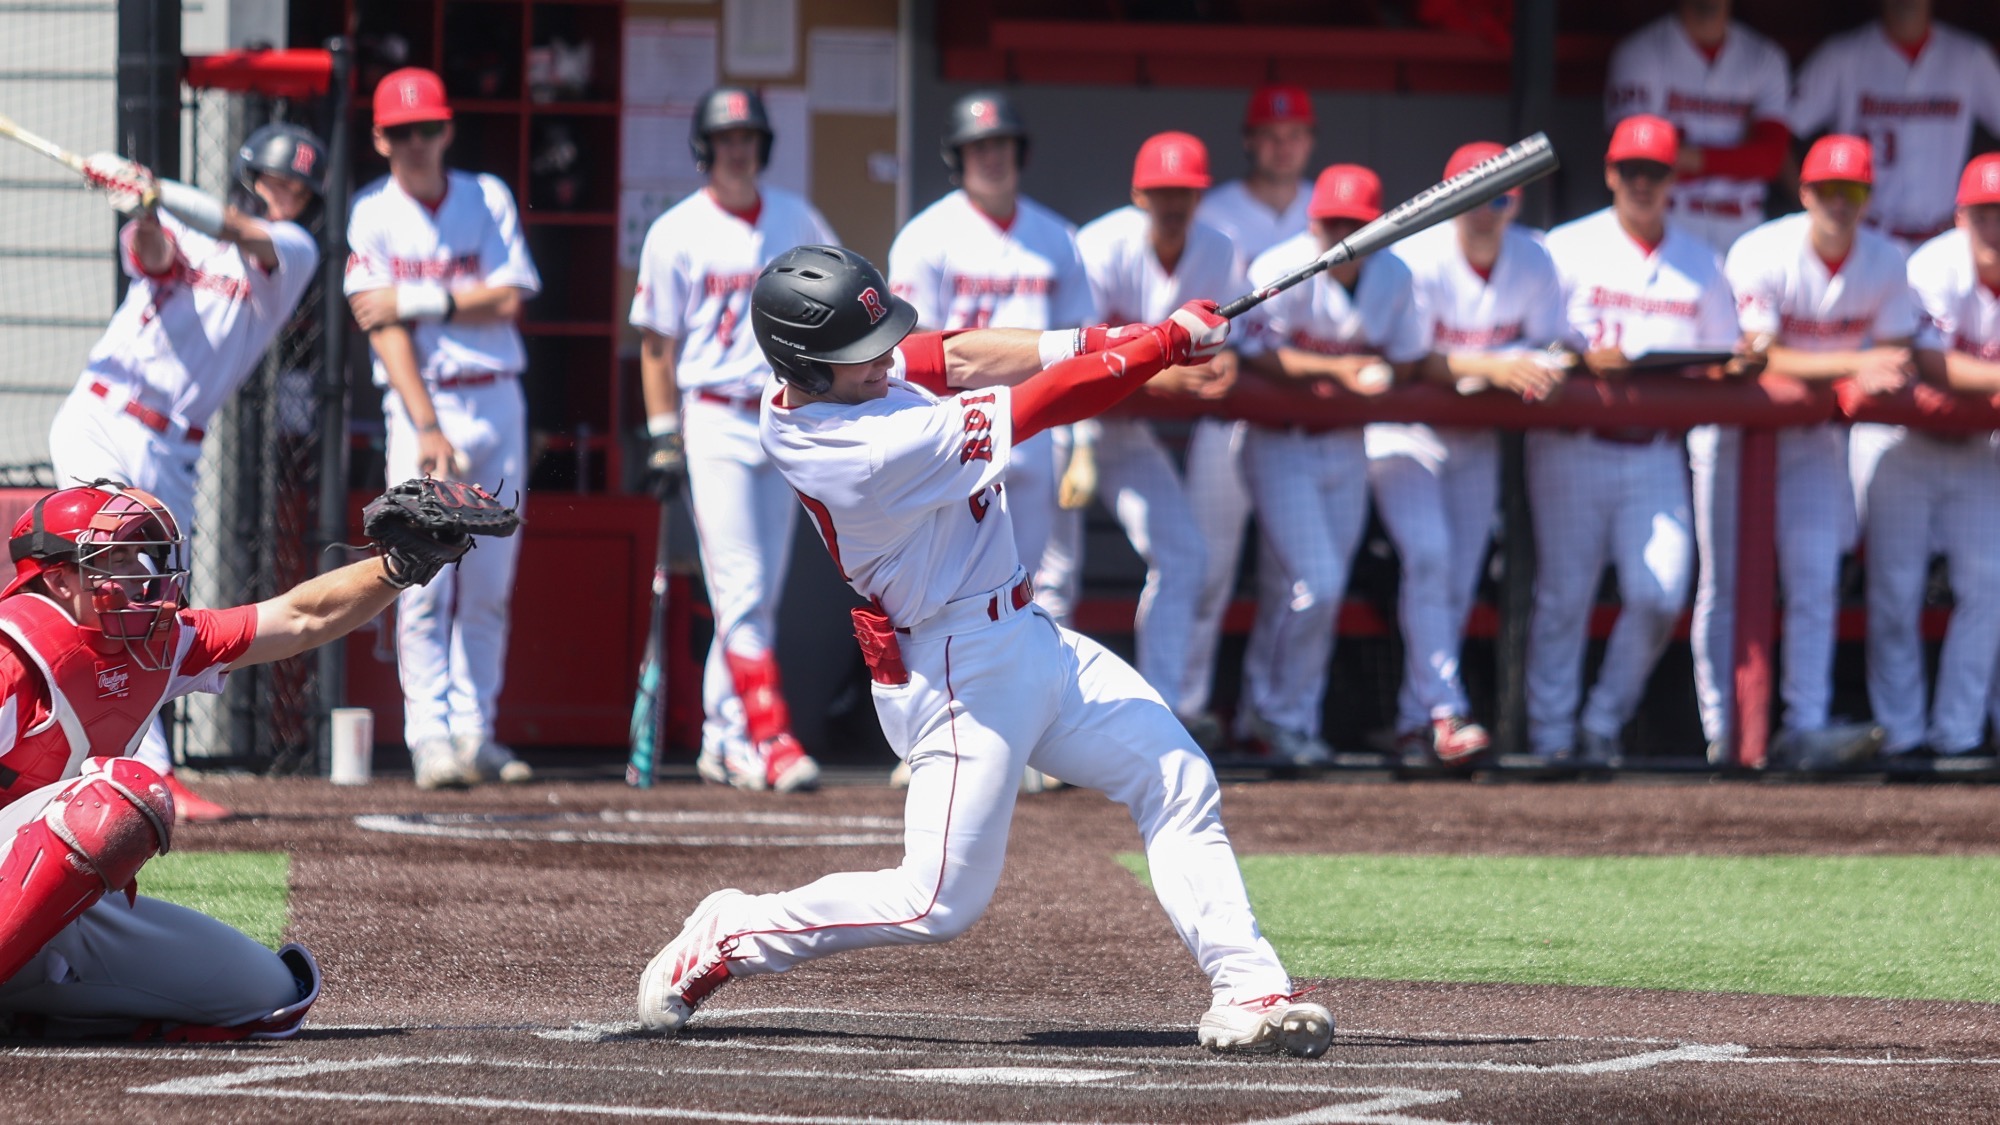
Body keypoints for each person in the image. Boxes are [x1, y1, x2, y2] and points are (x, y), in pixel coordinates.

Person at [634, 244, 1334, 1058]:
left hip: (1026, 637)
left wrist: (1103, 334)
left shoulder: (838, 377)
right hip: (959, 669)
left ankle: (1249, 987)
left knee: (1175, 775)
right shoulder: (858, 446)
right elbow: (1043, 405)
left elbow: (957, 352)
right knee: (935, 900)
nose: (882, 359)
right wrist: (1157, 347)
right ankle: (733, 929)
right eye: (859, 355)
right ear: (809, 368)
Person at [0, 478, 479, 1038]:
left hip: (38, 906)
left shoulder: (159, 641)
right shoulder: (13, 651)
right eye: (114, 557)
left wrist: (395, 566)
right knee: (118, 798)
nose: (139, 571)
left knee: (267, 995)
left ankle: (29, 1003)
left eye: (139, 554)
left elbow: (301, 618)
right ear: (58, 578)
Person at [51, 123, 328, 823]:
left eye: (296, 186)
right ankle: (144, 770)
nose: (283, 193)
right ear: (248, 173)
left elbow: (244, 231)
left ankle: (119, 758)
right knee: (110, 570)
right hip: (101, 410)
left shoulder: (293, 250)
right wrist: (143, 209)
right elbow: (152, 255)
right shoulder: (181, 226)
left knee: (148, 597)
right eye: (273, 179)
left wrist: (152, 187)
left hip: (174, 443)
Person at [886, 91, 1095, 791]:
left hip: (1036, 431)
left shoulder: (1059, 236)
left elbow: (1083, 350)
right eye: (979, 147)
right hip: (955, 435)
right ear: (957, 156)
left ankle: (1034, 741)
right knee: (938, 594)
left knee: (1036, 589)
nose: (992, 156)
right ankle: (924, 737)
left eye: (1002, 144)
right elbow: (913, 354)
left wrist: (1084, 441)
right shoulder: (926, 235)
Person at [629, 87, 833, 792]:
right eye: (725, 136)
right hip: (712, 415)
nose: (737, 147)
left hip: (782, 414)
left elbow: (832, 308)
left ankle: (723, 735)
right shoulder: (677, 230)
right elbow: (656, 345)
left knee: (756, 594)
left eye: (748, 136)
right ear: (705, 146)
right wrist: (662, 435)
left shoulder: (797, 217)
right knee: (741, 588)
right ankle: (766, 737)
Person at [345, 67, 541, 790]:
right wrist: (425, 421)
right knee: (424, 578)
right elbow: (378, 323)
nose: (416, 144)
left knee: (491, 581)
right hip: (424, 405)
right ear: (380, 139)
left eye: (427, 129)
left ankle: (476, 730)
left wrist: (418, 296)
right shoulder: (371, 210)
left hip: (496, 397)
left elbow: (511, 297)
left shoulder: (485, 196)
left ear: (447, 129)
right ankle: (430, 734)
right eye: (401, 133)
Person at [1534, 115, 1739, 769]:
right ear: (1610, 173)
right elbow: (1532, 340)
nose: (1642, 183)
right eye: (1631, 171)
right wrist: (1581, 356)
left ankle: (1601, 719)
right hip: (1574, 443)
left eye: (1655, 172)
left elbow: (1721, 358)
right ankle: (1549, 735)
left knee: (1660, 591)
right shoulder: (1564, 247)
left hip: (1653, 448)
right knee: (1564, 596)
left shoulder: (1701, 260)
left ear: (1673, 179)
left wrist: (1736, 364)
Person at [1711, 135, 1916, 768]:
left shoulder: (1885, 260)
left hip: (1816, 439)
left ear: (1866, 197)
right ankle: (1723, 730)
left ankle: (1805, 725)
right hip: (1736, 434)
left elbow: (1900, 357)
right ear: (1804, 194)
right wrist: (1854, 363)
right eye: (1827, 190)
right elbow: (1758, 354)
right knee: (1722, 585)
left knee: (1815, 578)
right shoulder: (1762, 249)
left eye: (1851, 191)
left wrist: (1850, 371)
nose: (1838, 203)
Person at [1375, 141, 1569, 769]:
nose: (1486, 210)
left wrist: (1541, 368)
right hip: (1405, 431)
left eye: (1500, 196)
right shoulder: (1416, 258)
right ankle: (1443, 711)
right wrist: (1497, 364)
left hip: (1474, 435)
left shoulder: (1535, 258)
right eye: (1472, 196)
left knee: (1455, 580)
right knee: (1429, 556)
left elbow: (1551, 348)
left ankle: (1416, 720)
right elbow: (1413, 361)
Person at [1237, 164, 1429, 766]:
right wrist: (1338, 371)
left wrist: (1382, 374)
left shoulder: (1395, 274)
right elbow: (1256, 352)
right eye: (1332, 223)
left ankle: (1271, 717)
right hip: (1279, 443)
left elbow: (1410, 359)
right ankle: (1280, 716)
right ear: (1313, 221)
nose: (1343, 235)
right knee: (1316, 585)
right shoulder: (1278, 265)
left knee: (1294, 592)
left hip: (1346, 445)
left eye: (1356, 224)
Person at [1071, 132, 1241, 743]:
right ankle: (1030, 727)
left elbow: (1221, 346)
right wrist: (1171, 375)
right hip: (1063, 425)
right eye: (1163, 190)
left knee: (1186, 556)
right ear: (1140, 192)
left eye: (1186, 192)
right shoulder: (1099, 244)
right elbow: (1081, 358)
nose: (1174, 203)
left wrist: (1227, 364)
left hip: (1124, 428)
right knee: (1047, 578)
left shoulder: (1219, 248)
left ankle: (1160, 713)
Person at [1858, 155, 2000, 764]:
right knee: (1895, 593)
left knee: (1989, 588)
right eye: (1987, 211)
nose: (1997, 223)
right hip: (1903, 446)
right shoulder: (1933, 264)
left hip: (1976, 453)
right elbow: (1931, 363)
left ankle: (1960, 735)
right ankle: (1903, 735)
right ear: (1962, 215)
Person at [1190, 85, 1317, 744]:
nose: (1282, 144)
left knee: (1286, 577)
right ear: (1248, 139)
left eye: (1294, 133)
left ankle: (1269, 716)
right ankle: (1187, 705)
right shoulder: (1215, 211)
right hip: (1227, 411)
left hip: (1295, 413)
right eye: (1270, 133)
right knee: (1208, 568)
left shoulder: (1326, 209)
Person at [1789, 0, 2000, 251]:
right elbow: (1781, 132)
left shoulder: (1970, 57)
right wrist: (1812, 203)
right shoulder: (1842, 56)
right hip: (1865, 235)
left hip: (1944, 237)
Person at [1604, 0, 1791, 253]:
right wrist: (1739, 157)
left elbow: (1769, 160)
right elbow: (1637, 157)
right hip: (1670, 222)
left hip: (1743, 226)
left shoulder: (1764, 57)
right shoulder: (1640, 52)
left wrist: (1688, 156)